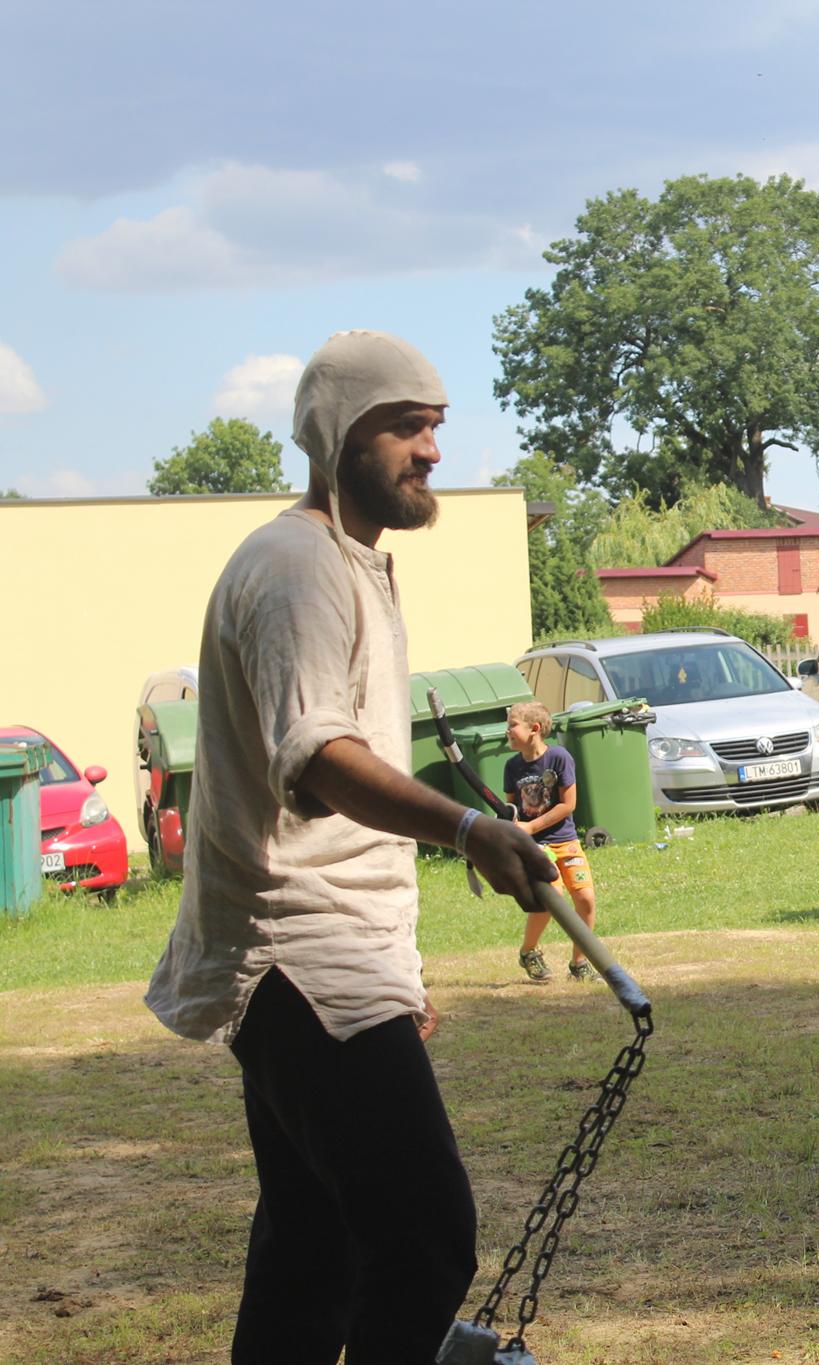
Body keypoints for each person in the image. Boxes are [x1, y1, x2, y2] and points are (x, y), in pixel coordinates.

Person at [143, 330, 559, 1361]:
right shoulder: (295, 568)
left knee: (312, 1253)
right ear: (336, 435)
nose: (431, 450)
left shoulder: (350, 564)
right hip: (299, 953)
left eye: (435, 426)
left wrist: (396, 967)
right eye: (405, 426)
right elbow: (319, 755)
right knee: (424, 1237)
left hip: (334, 956)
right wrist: (469, 826)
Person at [504, 701, 599, 981]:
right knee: (552, 897)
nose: (507, 731)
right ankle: (529, 951)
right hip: (535, 846)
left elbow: (568, 804)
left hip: (565, 841)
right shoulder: (512, 766)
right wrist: (513, 829)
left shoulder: (559, 757)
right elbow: (511, 808)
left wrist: (531, 826)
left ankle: (579, 964)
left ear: (534, 729)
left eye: (512, 725)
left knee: (585, 898)